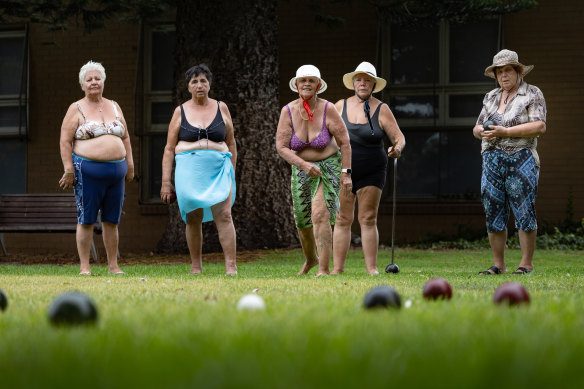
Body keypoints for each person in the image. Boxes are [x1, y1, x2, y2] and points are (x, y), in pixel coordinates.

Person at [473, 49, 546, 275]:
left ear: (517, 72)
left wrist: (506, 132)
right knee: (493, 209)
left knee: (524, 209)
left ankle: (526, 264)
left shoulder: (532, 93)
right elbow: (477, 126)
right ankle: (499, 265)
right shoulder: (491, 97)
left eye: (507, 71)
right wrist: (481, 133)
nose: (503, 76)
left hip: (521, 157)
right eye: (499, 72)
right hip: (491, 160)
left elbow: (539, 126)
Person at [160, 64, 237, 275]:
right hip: (189, 171)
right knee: (192, 216)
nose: (199, 85)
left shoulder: (222, 108)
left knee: (224, 214)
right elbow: (168, 149)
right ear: (188, 87)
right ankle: (196, 266)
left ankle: (231, 265)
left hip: (219, 169)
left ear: (210, 84)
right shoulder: (180, 111)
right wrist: (166, 182)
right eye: (194, 81)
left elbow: (231, 144)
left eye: (203, 80)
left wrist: (231, 171)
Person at [276, 64, 352, 277]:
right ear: (297, 85)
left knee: (320, 214)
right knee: (302, 220)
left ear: (318, 85)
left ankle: (324, 269)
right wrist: (302, 165)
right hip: (301, 169)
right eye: (303, 80)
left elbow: (345, 143)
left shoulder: (329, 109)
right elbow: (281, 147)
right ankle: (311, 259)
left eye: (311, 80)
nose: (307, 84)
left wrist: (346, 173)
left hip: (329, 166)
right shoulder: (288, 111)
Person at [59, 60, 134, 275]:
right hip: (87, 171)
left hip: (117, 172)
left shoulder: (114, 105)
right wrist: (68, 169)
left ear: (103, 81)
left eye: (97, 78)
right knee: (87, 218)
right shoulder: (76, 108)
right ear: (82, 84)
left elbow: (126, 136)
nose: (94, 82)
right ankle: (85, 267)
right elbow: (65, 141)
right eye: (89, 79)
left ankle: (113, 265)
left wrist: (130, 164)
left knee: (112, 220)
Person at [331, 61, 405, 275]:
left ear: (373, 84)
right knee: (343, 219)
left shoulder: (382, 109)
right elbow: (329, 138)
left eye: (367, 80)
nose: (362, 83)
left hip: (373, 170)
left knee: (368, 217)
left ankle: (372, 269)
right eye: (359, 79)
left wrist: (397, 148)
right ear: (353, 83)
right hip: (345, 170)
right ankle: (337, 269)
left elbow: (399, 137)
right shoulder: (339, 106)